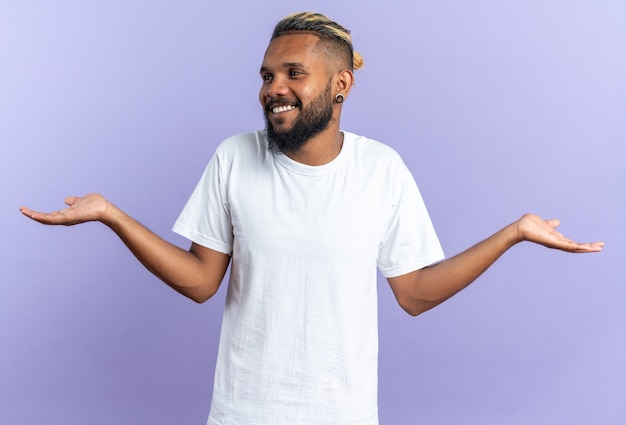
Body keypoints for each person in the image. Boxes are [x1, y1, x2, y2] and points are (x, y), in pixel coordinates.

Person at [20, 11, 603, 425]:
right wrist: (111, 216)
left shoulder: (382, 169)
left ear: (341, 84)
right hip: (241, 414)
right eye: (267, 76)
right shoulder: (233, 157)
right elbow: (201, 282)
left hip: (344, 416)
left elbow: (416, 293)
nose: (274, 89)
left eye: (294, 73)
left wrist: (513, 233)